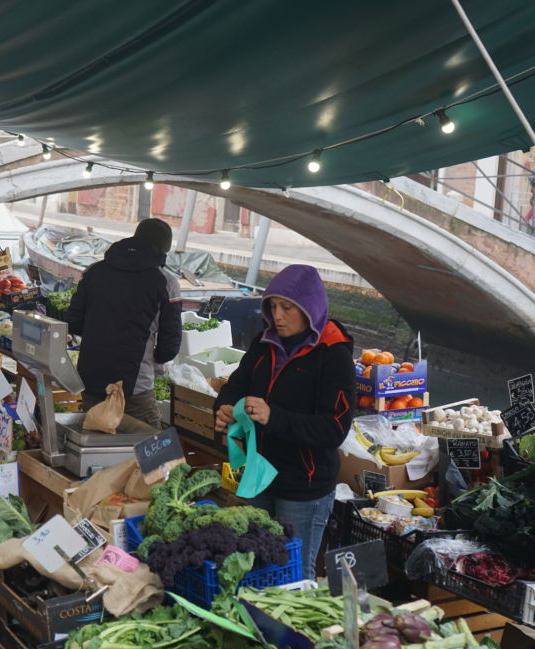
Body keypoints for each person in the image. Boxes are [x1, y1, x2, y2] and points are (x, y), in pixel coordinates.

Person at [213, 264, 355, 580]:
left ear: (310, 309)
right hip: (258, 476)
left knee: (293, 574)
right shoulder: (264, 344)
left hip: (303, 487)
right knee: (251, 566)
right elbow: (237, 384)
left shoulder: (334, 356)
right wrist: (223, 406)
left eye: (287, 308)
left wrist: (273, 417)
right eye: (273, 306)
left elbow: (334, 429)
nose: (278, 315)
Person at [67, 218, 182, 428]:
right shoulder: (165, 282)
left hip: (91, 377)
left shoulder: (94, 271)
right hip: (134, 384)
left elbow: (73, 322)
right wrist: (154, 358)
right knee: (149, 448)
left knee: (97, 442)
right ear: (164, 249)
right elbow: (170, 344)